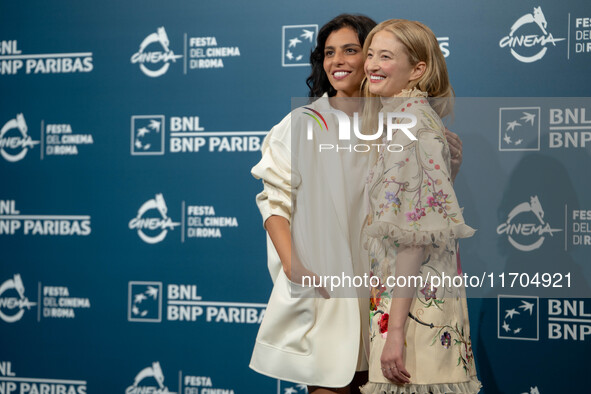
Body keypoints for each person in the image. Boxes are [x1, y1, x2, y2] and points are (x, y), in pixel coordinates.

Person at [249, 14, 465, 394]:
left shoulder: (395, 121)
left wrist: (450, 169)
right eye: (329, 53)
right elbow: (274, 201)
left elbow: (409, 209)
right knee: (330, 384)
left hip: (384, 292)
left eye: (352, 50)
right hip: (328, 289)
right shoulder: (304, 122)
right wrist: (295, 267)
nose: (339, 61)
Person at [359, 20, 482, 393]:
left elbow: (413, 239)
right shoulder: (412, 121)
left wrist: (396, 331)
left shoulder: (410, 126)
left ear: (418, 69)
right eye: (370, 54)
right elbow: (425, 217)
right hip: (415, 305)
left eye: (385, 56)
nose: (371, 65)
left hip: (413, 315)